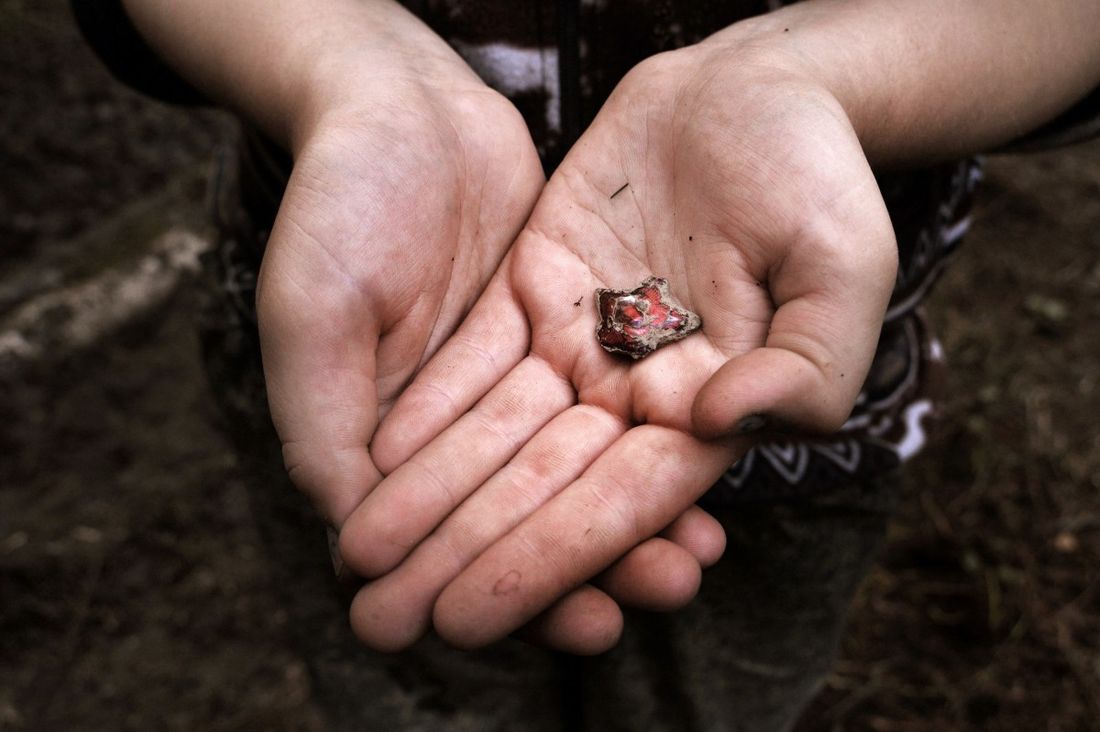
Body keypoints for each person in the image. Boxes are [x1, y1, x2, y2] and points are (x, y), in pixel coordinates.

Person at [74, 0, 1100, 729]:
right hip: (394, 349)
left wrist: (818, 75)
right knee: (420, 675)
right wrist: (335, 58)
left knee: (719, 690)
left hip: (776, 397)